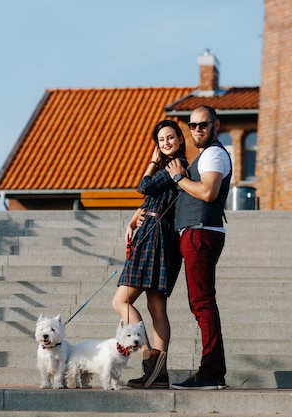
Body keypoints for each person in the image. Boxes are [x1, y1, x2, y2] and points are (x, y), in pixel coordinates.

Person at [112, 119, 188, 389]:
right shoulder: (171, 168)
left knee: (120, 301)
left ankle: (149, 358)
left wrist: (153, 162)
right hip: (154, 234)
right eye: (161, 140)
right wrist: (133, 221)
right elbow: (149, 199)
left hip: (156, 238)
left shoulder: (174, 166)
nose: (166, 143)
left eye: (170, 137)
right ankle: (159, 373)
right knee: (156, 307)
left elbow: (143, 186)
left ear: (180, 138)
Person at [165, 105, 231, 390]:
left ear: (216, 125)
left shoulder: (214, 154)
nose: (197, 130)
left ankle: (211, 374)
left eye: (202, 125)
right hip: (196, 234)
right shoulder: (205, 155)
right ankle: (213, 371)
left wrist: (180, 178)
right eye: (192, 126)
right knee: (201, 304)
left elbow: (208, 192)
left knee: (203, 304)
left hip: (201, 235)